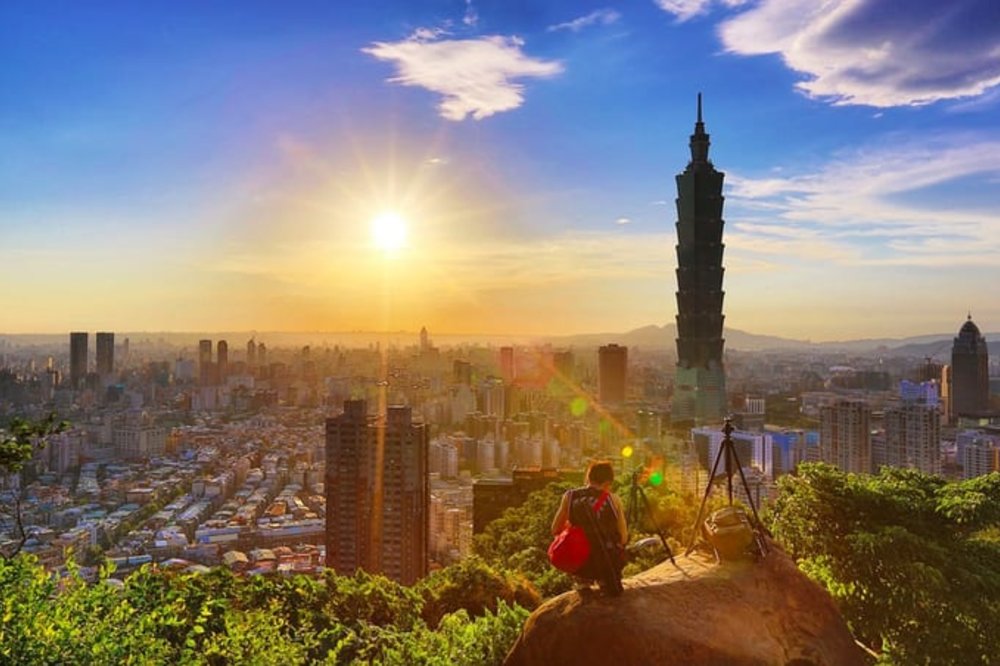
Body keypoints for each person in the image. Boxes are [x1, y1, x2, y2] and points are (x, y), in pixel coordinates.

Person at [550, 460, 628, 594]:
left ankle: (582, 582)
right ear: (607, 483)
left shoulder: (570, 497)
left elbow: (555, 529)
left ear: (588, 478)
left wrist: (574, 532)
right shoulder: (613, 500)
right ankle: (603, 581)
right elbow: (623, 538)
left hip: (579, 564)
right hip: (605, 563)